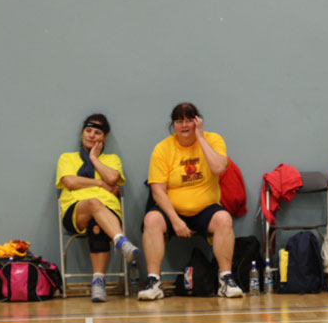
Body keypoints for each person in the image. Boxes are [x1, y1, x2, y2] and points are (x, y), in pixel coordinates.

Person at [138, 102, 243, 301]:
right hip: (172, 211)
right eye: (179, 121)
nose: (184, 126)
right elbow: (158, 191)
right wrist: (175, 220)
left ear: (197, 122)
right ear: (173, 124)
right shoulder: (162, 149)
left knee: (224, 219)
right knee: (151, 220)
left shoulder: (213, 139)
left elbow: (219, 168)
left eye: (188, 121)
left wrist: (201, 138)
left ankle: (226, 280)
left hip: (206, 209)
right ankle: (154, 282)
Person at [56, 114, 139, 302]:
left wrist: (94, 158)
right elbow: (69, 181)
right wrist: (99, 184)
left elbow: (112, 178)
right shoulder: (67, 158)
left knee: (98, 226)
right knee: (94, 203)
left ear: (105, 137)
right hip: (76, 211)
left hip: (108, 214)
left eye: (97, 132)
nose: (92, 136)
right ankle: (122, 242)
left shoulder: (112, 159)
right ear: (82, 132)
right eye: (88, 131)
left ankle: (98, 283)